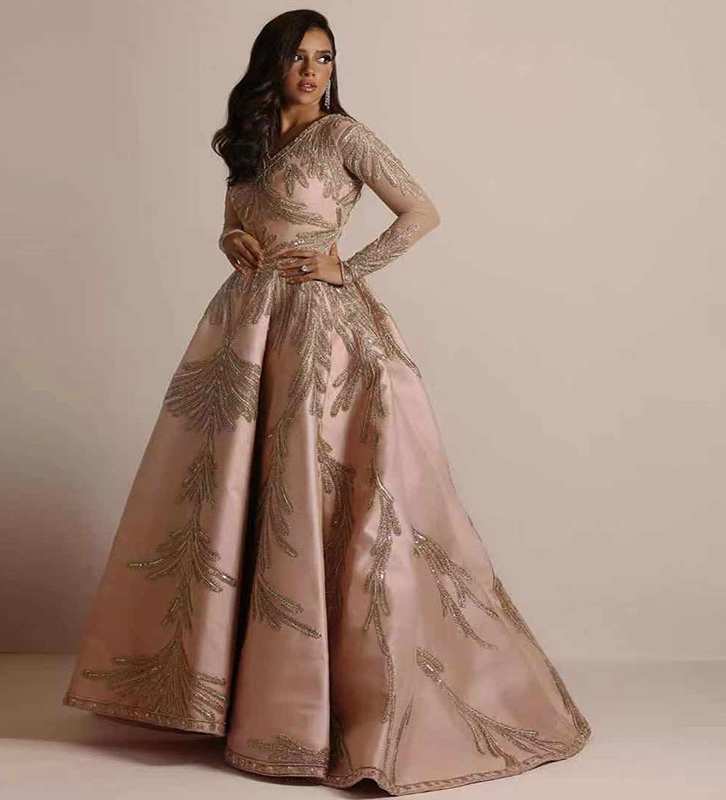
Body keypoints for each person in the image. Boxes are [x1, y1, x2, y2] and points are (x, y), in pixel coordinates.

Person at [63, 9, 591, 795]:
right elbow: (236, 221)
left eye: (326, 58)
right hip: (248, 327)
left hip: (321, 330)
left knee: (314, 491)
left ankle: (329, 704)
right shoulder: (249, 143)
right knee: (235, 493)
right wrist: (230, 241)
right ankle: (232, 694)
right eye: (300, 58)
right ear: (272, 65)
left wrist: (351, 267)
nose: (314, 72)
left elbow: (422, 210)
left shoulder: (345, 137)